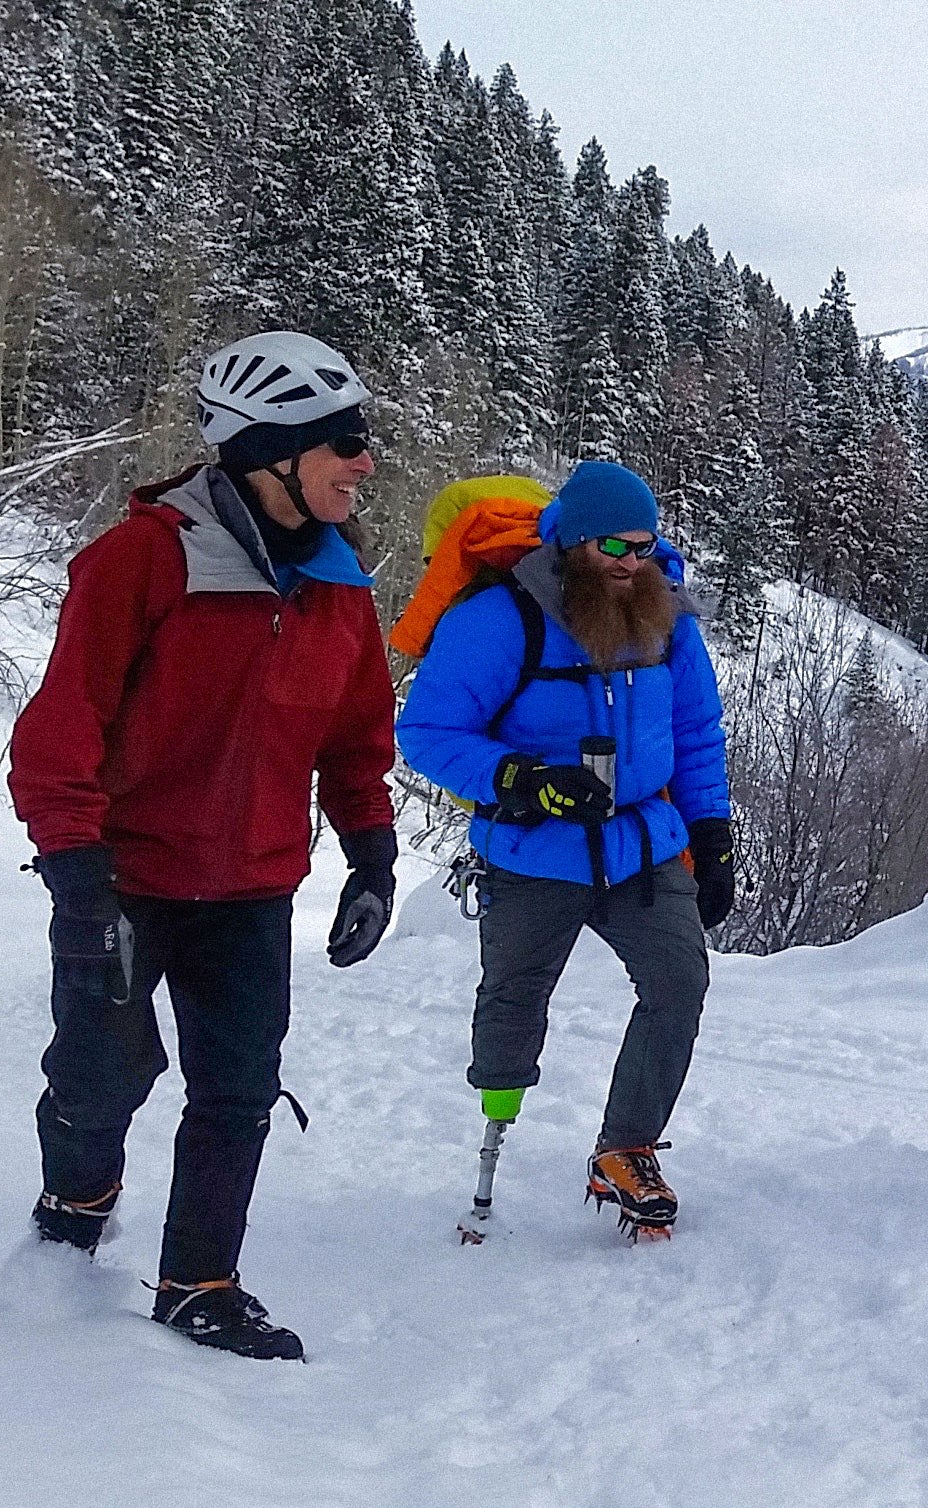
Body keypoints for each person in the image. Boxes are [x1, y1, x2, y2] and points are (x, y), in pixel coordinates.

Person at [9, 330, 401, 1360]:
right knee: (100, 1077)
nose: (365, 461)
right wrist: (76, 871)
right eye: (344, 442)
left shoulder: (338, 581)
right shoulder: (144, 557)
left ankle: (198, 1283)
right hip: (127, 877)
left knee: (237, 1087)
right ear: (270, 450)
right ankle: (75, 1203)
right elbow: (62, 725)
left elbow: (357, 734)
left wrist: (371, 851)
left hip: (252, 888)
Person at [393, 460, 735, 1243]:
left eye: (645, 545)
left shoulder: (666, 616)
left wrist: (712, 834)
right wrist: (516, 777)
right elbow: (427, 734)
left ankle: (625, 1149)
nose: (630, 561)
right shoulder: (496, 617)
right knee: (514, 1002)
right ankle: (495, 1123)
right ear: (570, 540)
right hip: (531, 849)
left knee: (679, 982)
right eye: (613, 544)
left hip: (644, 845)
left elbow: (695, 733)